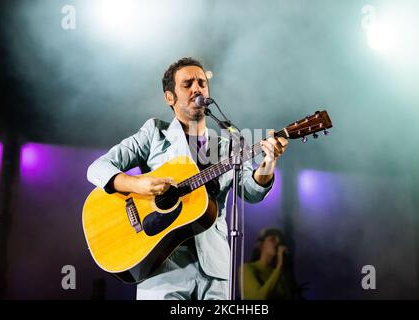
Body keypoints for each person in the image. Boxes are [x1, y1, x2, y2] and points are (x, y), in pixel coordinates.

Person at [87, 57, 289, 300]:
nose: (197, 88)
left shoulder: (228, 146)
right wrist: (137, 183)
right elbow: (97, 168)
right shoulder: (154, 133)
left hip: (214, 270)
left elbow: (252, 191)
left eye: (202, 83)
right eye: (187, 84)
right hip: (162, 266)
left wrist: (268, 161)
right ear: (169, 97)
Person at [240, 228, 305, 300]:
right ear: (261, 244)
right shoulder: (247, 269)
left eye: (279, 241)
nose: (277, 242)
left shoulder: (280, 273)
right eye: (272, 239)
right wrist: (279, 266)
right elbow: (259, 298)